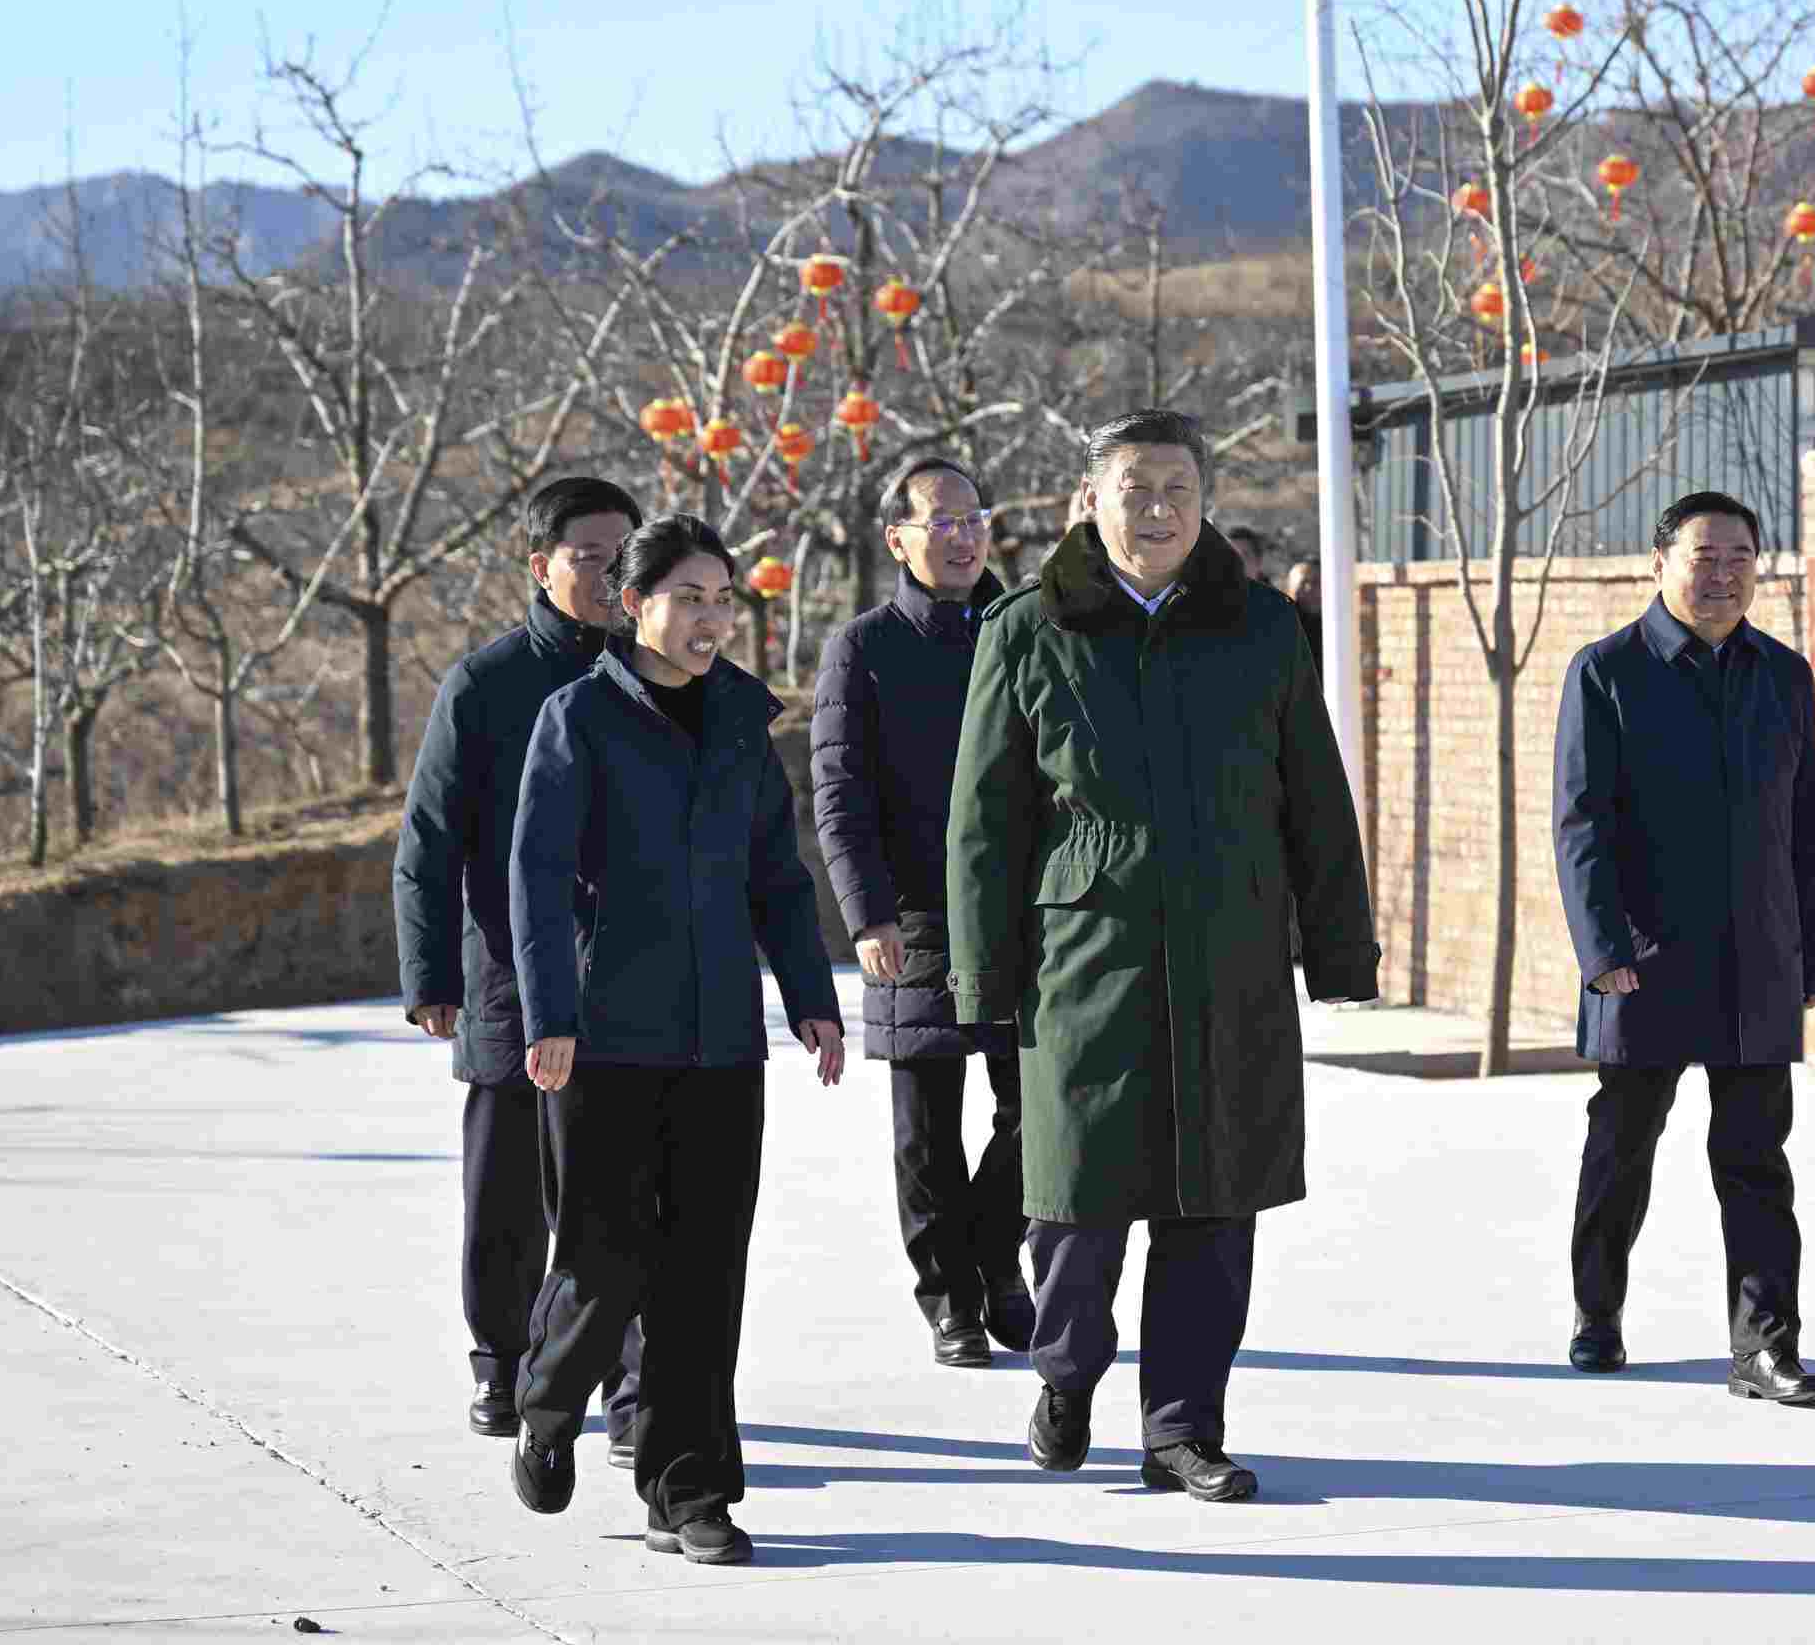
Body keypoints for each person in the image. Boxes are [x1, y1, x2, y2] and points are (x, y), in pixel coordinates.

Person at [949, 409, 1378, 1503]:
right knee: (1075, 1197)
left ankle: (1184, 1427)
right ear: (1093, 500)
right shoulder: (1028, 628)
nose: (1158, 509)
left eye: (1178, 489)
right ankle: (1065, 1374)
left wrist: (1341, 951)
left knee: (1214, 1201)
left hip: (1232, 947)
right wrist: (981, 973)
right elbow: (984, 820)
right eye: (1135, 488)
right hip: (1083, 953)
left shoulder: (1262, 627)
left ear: (1206, 503)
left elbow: (1315, 798)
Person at [506, 514, 848, 1565]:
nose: (710, 619)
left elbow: (776, 872)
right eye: (688, 597)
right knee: (605, 1257)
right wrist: (550, 1016)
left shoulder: (742, 719)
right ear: (634, 604)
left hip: (719, 1044)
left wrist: (809, 995)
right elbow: (537, 878)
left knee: (703, 1272)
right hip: (605, 1039)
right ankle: (549, 1398)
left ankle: (688, 1492)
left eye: (722, 599)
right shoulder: (577, 719)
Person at [1552, 490, 1815, 1405]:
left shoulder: (1783, 675)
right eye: (1704, 558)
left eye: (1740, 558)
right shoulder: (1607, 672)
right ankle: (1598, 1314)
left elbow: (1806, 827)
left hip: (1756, 959)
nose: (1723, 576)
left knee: (1756, 1164)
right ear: (1661, 562)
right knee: (1621, 1151)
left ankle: (1765, 1348)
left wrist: (1813, 955)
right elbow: (1581, 826)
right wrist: (1602, 951)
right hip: (1643, 962)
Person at [393, 476, 647, 1458]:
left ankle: (628, 1380)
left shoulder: (656, 673)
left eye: (626, 555)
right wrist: (431, 977)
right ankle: (502, 1361)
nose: (612, 575)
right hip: (507, 976)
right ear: (541, 566)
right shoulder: (487, 683)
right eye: (591, 556)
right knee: (503, 1192)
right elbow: (429, 840)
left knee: (619, 1189)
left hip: (626, 976)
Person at [811, 456, 1032, 1370]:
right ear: (897, 540)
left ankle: (996, 1256)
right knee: (927, 1128)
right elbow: (838, 792)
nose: (964, 535)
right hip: (916, 914)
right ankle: (951, 1298)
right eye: (941, 521)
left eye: (974, 517)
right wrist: (868, 914)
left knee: (1040, 1110)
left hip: (1027, 910)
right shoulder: (863, 648)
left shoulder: (1027, 628)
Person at [1281, 559, 1323, 665]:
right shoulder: (1284, 624)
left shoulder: (1338, 622)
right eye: (1303, 582)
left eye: (1316, 582)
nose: (1309, 588)